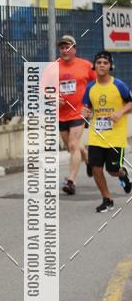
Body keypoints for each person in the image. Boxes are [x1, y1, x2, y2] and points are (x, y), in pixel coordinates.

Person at [81, 51, 132, 212]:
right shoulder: (90, 87)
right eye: (99, 62)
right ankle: (107, 198)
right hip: (97, 135)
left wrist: (120, 112)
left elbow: (130, 103)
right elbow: (86, 108)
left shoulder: (119, 85)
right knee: (95, 167)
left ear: (110, 66)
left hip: (115, 137)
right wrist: (86, 113)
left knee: (113, 170)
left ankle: (123, 174)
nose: (102, 65)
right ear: (94, 66)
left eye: (105, 62)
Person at [56, 34, 95, 195]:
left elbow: (97, 83)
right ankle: (87, 157)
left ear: (74, 49)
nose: (64, 50)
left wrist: (92, 106)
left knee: (73, 145)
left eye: (68, 47)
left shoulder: (85, 65)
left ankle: (71, 181)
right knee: (72, 147)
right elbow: (43, 88)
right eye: (62, 47)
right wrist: (52, 96)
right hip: (61, 114)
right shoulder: (53, 67)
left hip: (79, 111)